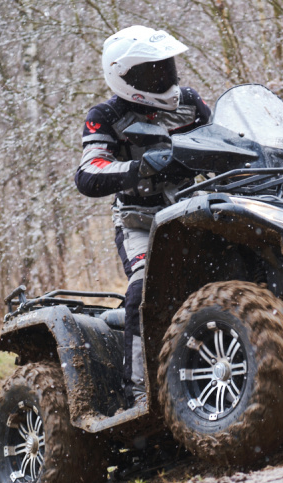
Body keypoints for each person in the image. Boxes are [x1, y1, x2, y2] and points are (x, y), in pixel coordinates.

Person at [75, 26, 211, 406]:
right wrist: (139, 167)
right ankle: (137, 395)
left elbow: (225, 140)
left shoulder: (189, 101)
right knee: (143, 290)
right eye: (152, 72)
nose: (163, 78)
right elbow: (88, 172)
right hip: (141, 222)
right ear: (124, 75)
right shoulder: (105, 115)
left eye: (165, 68)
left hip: (194, 209)